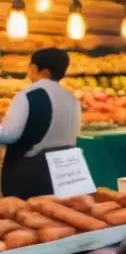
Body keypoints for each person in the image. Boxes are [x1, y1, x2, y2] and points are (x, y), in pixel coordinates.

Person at [0, 48, 82, 198]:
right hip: (64, 173)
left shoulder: (28, 95)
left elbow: (9, 135)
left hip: (28, 173)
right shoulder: (72, 99)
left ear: (34, 68)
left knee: (26, 211)